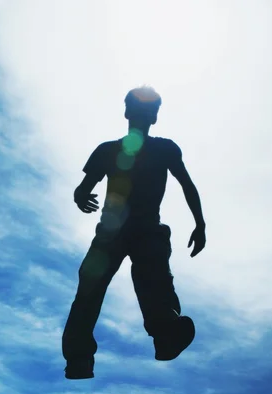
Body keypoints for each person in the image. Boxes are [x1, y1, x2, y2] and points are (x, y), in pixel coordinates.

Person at [62, 85, 206, 379]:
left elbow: (187, 185)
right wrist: (80, 196)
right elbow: (83, 188)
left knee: (152, 285)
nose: (143, 115)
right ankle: (80, 358)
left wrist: (200, 223)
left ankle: (166, 335)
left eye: (148, 111)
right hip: (113, 234)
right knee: (92, 291)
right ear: (128, 112)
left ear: (154, 118)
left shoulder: (164, 148)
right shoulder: (108, 150)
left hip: (142, 232)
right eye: (140, 109)